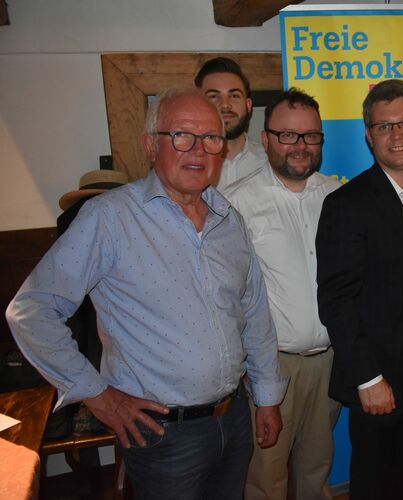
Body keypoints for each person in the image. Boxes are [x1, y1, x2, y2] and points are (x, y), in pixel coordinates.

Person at [6, 88, 287, 500]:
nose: (198, 150)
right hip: (162, 435)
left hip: (234, 417)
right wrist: (98, 395)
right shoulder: (109, 218)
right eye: (181, 135)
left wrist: (267, 397)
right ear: (151, 146)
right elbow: (31, 310)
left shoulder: (230, 221)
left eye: (211, 137)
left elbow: (254, 313)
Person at [316, 79, 403, 500]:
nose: (396, 134)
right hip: (381, 377)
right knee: (374, 483)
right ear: (368, 135)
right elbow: (336, 299)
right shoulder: (346, 203)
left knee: (402, 473)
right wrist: (368, 377)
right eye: (383, 126)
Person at [224, 88, 341, 500]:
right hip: (270, 366)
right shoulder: (236, 204)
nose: (300, 145)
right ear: (266, 138)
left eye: (311, 136)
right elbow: (226, 299)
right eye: (288, 135)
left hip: (330, 361)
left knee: (317, 469)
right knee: (266, 477)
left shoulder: (337, 196)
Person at [195, 56, 270, 192]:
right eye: (214, 97)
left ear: (248, 105)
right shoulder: (187, 165)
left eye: (234, 96)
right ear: (199, 105)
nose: (225, 105)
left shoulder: (269, 162)